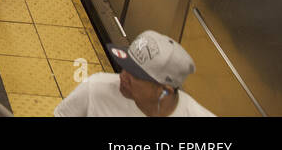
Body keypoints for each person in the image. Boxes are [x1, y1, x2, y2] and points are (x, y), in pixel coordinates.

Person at [55, 31, 214, 117]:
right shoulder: (96, 89)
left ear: (165, 91)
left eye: (135, 75)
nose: (123, 76)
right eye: (126, 67)